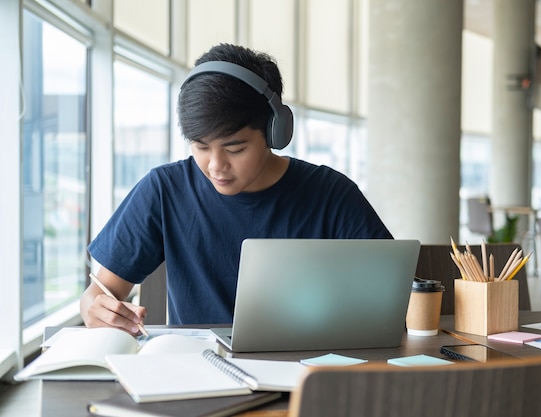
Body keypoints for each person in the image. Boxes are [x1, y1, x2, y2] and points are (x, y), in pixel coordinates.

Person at [80, 43, 392, 334]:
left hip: (306, 372)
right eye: (201, 147)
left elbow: (392, 292)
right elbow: (99, 293)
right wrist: (96, 310)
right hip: (199, 374)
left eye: (235, 148)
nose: (216, 165)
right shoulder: (164, 190)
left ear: (274, 132)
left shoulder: (330, 193)